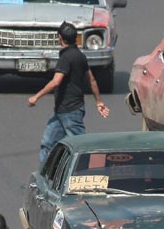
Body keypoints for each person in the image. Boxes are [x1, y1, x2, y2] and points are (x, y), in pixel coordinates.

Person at [28, 22, 109, 163]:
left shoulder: (66, 58)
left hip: (71, 110)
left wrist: (36, 97)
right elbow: (92, 80)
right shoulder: (80, 56)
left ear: (60, 37)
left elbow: (55, 82)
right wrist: (99, 101)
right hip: (61, 111)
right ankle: (45, 179)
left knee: (80, 147)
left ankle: (89, 173)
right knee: (47, 143)